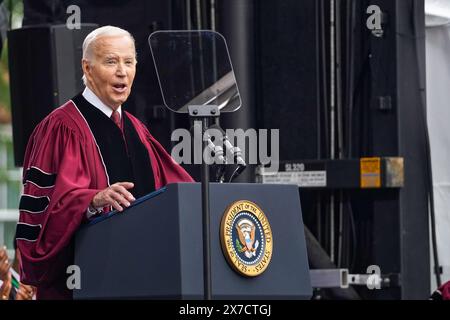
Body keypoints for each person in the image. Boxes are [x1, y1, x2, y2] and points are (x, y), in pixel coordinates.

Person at [16, 26, 194, 300]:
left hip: (145, 283)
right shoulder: (60, 128)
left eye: (129, 62)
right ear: (87, 68)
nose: (122, 71)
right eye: (111, 61)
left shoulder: (138, 132)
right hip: (78, 287)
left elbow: (177, 192)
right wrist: (91, 201)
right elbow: (40, 220)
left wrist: (208, 198)